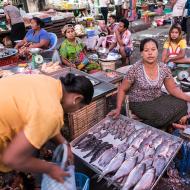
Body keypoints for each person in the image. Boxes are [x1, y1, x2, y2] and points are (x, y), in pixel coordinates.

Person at [0, 73, 94, 188]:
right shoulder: (52, 113)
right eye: (80, 107)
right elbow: (11, 159)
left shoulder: (50, 83)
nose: (75, 111)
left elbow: (41, 117)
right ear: (77, 99)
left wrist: (64, 143)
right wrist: (50, 168)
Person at [109, 38, 189, 129]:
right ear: (141, 53)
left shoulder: (164, 68)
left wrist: (188, 98)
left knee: (182, 104)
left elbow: (173, 89)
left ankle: (167, 124)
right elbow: (122, 89)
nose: (150, 53)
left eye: (153, 49)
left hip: (158, 98)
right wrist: (118, 108)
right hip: (139, 102)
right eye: (146, 50)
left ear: (157, 51)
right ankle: (141, 129)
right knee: (161, 116)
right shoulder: (135, 69)